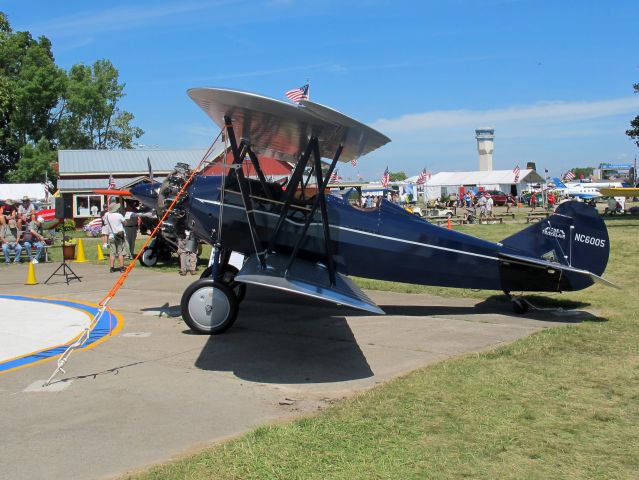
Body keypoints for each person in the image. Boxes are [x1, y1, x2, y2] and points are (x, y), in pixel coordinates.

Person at [103, 202, 126, 273]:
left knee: (112, 253)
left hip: (111, 236)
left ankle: (112, 268)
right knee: (120, 252)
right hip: (119, 235)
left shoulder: (107, 216)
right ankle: (122, 267)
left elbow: (105, 224)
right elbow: (125, 223)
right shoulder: (119, 215)